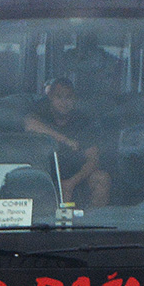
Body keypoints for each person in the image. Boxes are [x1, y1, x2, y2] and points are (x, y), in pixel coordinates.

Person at [24, 78, 110, 207]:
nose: (64, 102)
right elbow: (29, 124)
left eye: (69, 97)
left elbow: (93, 160)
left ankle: (92, 223)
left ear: (75, 99)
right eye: (59, 97)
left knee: (101, 178)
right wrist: (65, 140)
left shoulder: (84, 122)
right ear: (50, 98)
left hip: (76, 177)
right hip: (44, 175)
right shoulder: (41, 111)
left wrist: (70, 184)